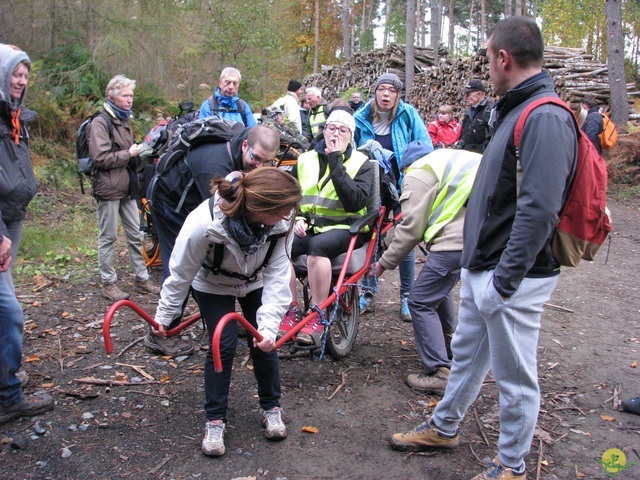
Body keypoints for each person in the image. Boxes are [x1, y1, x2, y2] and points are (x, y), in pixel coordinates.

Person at [389, 17, 578, 480]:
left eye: (488, 56)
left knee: (515, 378)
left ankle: (512, 465)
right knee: (468, 356)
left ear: (503, 58)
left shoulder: (546, 117)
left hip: (513, 277)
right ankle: (445, 425)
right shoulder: (515, 109)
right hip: (484, 269)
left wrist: (504, 282)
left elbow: (539, 211)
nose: (487, 67)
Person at [151, 167, 301, 457]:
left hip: (255, 280)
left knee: (264, 345)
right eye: (282, 210)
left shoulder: (281, 224)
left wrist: (269, 329)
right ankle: (215, 419)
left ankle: (271, 407)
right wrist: (165, 317)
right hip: (212, 283)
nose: (287, 216)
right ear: (261, 208)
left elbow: (278, 276)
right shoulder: (203, 224)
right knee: (223, 343)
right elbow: (180, 274)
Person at [147, 125, 279, 355]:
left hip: (194, 202)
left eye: (266, 162)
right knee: (181, 261)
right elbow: (223, 217)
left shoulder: (243, 157)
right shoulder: (215, 166)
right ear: (245, 145)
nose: (259, 166)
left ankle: (221, 317)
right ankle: (163, 329)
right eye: (256, 159)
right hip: (172, 205)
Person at [374, 146, 480, 394]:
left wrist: (382, 263)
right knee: (436, 289)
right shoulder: (453, 160)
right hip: (483, 237)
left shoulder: (419, 171)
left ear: (406, 166)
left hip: (456, 242)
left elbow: (411, 228)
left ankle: (439, 371)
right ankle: (450, 345)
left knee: (420, 300)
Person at [278, 109, 374, 347]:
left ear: (351, 136)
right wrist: (296, 217)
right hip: (309, 225)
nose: (336, 134)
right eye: (332, 128)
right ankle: (290, 309)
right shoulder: (305, 159)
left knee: (316, 246)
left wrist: (336, 160)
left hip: (347, 228)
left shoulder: (362, 163)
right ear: (323, 131)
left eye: (343, 130)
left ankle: (316, 316)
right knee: (281, 247)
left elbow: (355, 201)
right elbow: (290, 196)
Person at [0, 44, 55, 426]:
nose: (20, 80)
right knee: (9, 310)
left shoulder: (15, 118)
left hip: (13, 216)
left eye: (24, 74)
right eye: (14, 74)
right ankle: (8, 396)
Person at [354, 72, 432, 321]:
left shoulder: (408, 114)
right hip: (372, 187)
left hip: (402, 187)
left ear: (398, 94)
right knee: (371, 237)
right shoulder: (360, 118)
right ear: (374, 92)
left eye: (392, 90)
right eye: (382, 89)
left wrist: (412, 169)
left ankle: (407, 296)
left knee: (405, 238)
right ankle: (368, 291)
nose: (386, 94)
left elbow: (425, 146)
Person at [88, 75, 160, 302]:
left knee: (135, 234)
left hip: (128, 187)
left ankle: (142, 279)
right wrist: (128, 154)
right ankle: (108, 284)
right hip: (108, 188)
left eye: (131, 95)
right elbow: (99, 158)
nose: (130, 100)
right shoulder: (100, 122)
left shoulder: (124, 120)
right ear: (112, 96)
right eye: (125, 95)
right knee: (108, 237)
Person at [458, 79, 493, 153]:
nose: (465, 98)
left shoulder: (490, 111)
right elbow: (464, 134)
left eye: (468, 94)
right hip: (467, 155)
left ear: (479, 94)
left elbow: (492, 138)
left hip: (481, 156)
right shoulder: (468, 112)